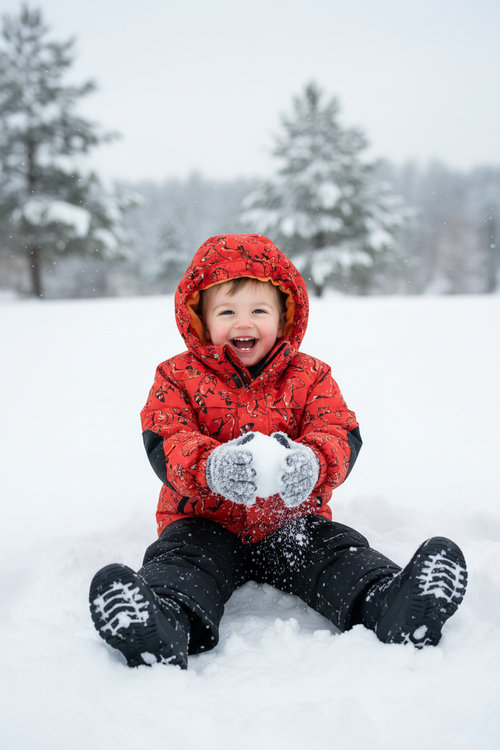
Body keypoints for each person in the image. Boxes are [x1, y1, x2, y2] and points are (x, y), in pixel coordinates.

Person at [89, 234, 467, 669]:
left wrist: (313, 462)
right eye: (227, 312)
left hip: (289, 519)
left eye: (258, 311)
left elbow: (337, 429)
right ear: (201, 319)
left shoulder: (309, 375)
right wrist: (211, 466)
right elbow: (167, 435)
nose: (243, 323)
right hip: (203, 519)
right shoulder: (177, 376)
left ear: (284, 317)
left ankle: (390, 603)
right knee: (183, 563)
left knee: (333, 552)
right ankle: (163, 622)